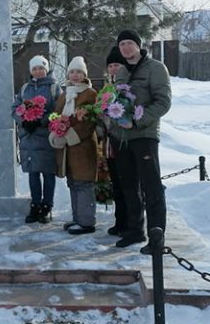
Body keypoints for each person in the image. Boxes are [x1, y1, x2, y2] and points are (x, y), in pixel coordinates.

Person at [108, 29, 172, 252]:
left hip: (144, 135)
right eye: (122, 44)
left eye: (129, 43)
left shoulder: (155, 68)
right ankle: (135, 231)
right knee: (129, 186)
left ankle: (157, 237)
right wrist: (114, 121)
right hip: (122, 138)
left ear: (138, 45)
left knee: (151, 187)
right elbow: (118, 101)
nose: (125, 47)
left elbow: (163, 102)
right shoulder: (122, 71)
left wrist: (137, 121)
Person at [49, 56, 98, 235]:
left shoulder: (90, 93)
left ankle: (86, 222)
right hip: (67, 149)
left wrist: (70, 134)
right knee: (73, 182)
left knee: (84, 182)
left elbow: (90, 121)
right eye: (72, 72)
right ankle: (78, 217)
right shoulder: (65, 93)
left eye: (79, 72)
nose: (75, 75)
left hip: (82, 146)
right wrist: (56, 130)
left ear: (84, 74)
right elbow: (55, 114)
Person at [12, 55, 62, 224]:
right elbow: (15, 108)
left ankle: (47, 206)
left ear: (46, 69)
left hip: (46, 137)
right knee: (33, 174)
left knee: (48, 173)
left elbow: (58, 111)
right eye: (34, 69)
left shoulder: (54, 88)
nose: (38, 71)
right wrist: (24, 120)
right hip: (29, 138)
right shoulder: (25, 88)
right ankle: (35, 204)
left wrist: (41, 120)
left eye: (41, 68)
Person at [100, 46, 138, 238]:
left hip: (125, 140)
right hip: (109, 142)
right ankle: (120, 221)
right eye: (111, 65)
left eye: (117, 65)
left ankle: (133, 224)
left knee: (128, 185)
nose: (114, 69)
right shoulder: (107, 88)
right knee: (116, 184)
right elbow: (101, 114)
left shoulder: (126, 86)